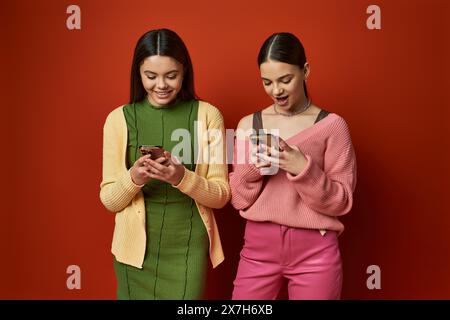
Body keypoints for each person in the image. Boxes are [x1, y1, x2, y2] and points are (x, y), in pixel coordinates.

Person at [100, 28, 230, 300]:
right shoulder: (117, 120)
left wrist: (181, 177)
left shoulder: (209, 116)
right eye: (151, 76)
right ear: (138, 73)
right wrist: (134, 178)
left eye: (171, 76)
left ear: (185, 71)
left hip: (187, 249)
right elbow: (110, 200)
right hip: (134, 256)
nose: (161, 85)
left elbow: (221, 196)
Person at [229, 32, 357, 300]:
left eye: (285, 80)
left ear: (305, 70)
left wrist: (302, 168)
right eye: (267, 82)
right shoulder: (247, 125)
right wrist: (254, 169)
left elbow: (341, 202)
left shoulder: (333, 126)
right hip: (258, 248)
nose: (277, 90)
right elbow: (239, 199)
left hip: (315, 251)